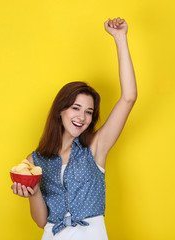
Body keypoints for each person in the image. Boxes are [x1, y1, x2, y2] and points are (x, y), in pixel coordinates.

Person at [11, 17, 137, 240]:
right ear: (61, 110)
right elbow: (41, 221)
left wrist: (120, 38)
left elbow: (129, 97)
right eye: (76, 108)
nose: (82, 117)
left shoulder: (96, 147)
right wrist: (34, 191)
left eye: (88, 112)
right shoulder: (34, 161)